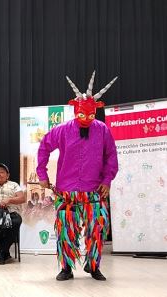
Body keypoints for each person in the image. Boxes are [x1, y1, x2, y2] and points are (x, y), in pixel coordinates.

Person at [37, 71, 118, 281]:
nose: (86, 120)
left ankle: (93, 266)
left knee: (97, 229)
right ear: (75, 110)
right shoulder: (62, 130)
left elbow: (111, 156)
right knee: (66, 231)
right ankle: (66, 268)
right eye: (82, 116)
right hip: (67, 191)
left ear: (96, 113)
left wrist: (107, 180)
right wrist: (42, 174)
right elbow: (44, 147)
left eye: (91, 116)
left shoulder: (102, 130)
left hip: (94, 191)